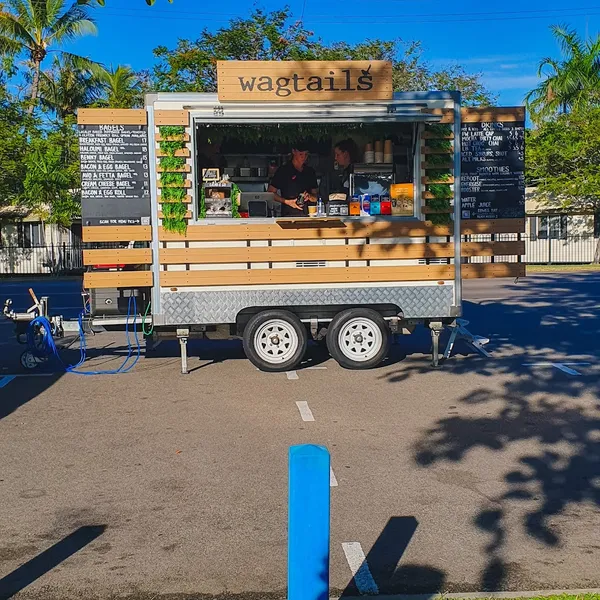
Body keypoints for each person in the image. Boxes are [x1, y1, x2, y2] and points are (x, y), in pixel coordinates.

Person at [268, 143, 318, 217]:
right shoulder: (284, 170)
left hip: (308, 216)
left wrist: (310, 196)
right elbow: (270, 193)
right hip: (288, 216)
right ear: (294, 152)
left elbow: (316, 197)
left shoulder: (310, 171)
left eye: (306, 154)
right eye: (301, 154)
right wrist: (287, 202)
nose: (304, 157)